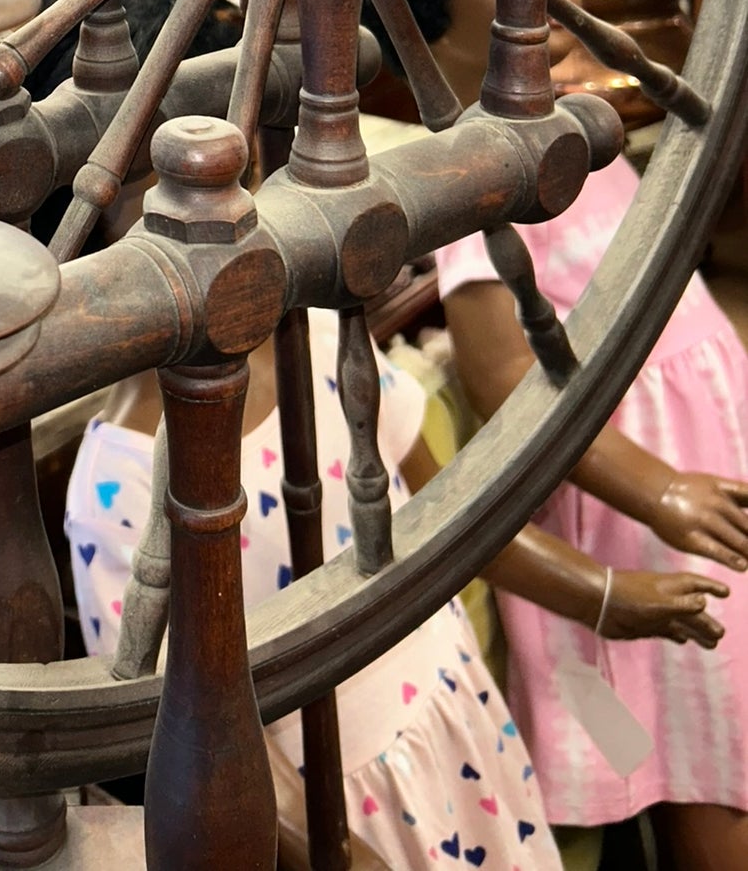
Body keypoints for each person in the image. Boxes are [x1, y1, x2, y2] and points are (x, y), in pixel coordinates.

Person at [67, 306, 726, 871]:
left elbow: (443, 517)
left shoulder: (321, 339)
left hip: (455, 720)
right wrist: (341, 854)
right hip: (335, 800)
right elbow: (207, 741)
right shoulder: (116, 490)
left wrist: (599, 594)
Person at [440, 154, 748, 870]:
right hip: (635, 523)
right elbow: (499, 373)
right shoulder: (489, 182)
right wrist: (658, 488)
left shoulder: (591, 146)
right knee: (690, 745)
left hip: (701, 483)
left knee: (725, 708)